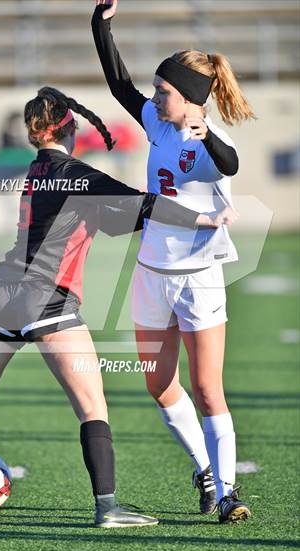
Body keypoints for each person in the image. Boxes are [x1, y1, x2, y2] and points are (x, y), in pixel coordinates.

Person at [0, 86, 233, 528]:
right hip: (48, 299)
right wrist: (204, 218)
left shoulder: (36, 170)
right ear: (69, 129)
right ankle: (108, 507)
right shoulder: (76, 172)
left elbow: (107, 219)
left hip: (3, 294)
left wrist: (137, 218)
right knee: (92, 407)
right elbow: (145, 204)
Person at [92, 0, 255, 523]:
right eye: (158, 90)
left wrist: (211, 138)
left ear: (190, 99)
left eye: (164, 92)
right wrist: (102, 26)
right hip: (150, 273)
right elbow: (121, 88)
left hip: (199, 279)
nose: (154, 96)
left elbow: (232, 162)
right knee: (158, 384)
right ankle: (204, 468)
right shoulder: (158, 122)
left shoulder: (212, 141)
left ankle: (228, 492)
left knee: (208, 389)